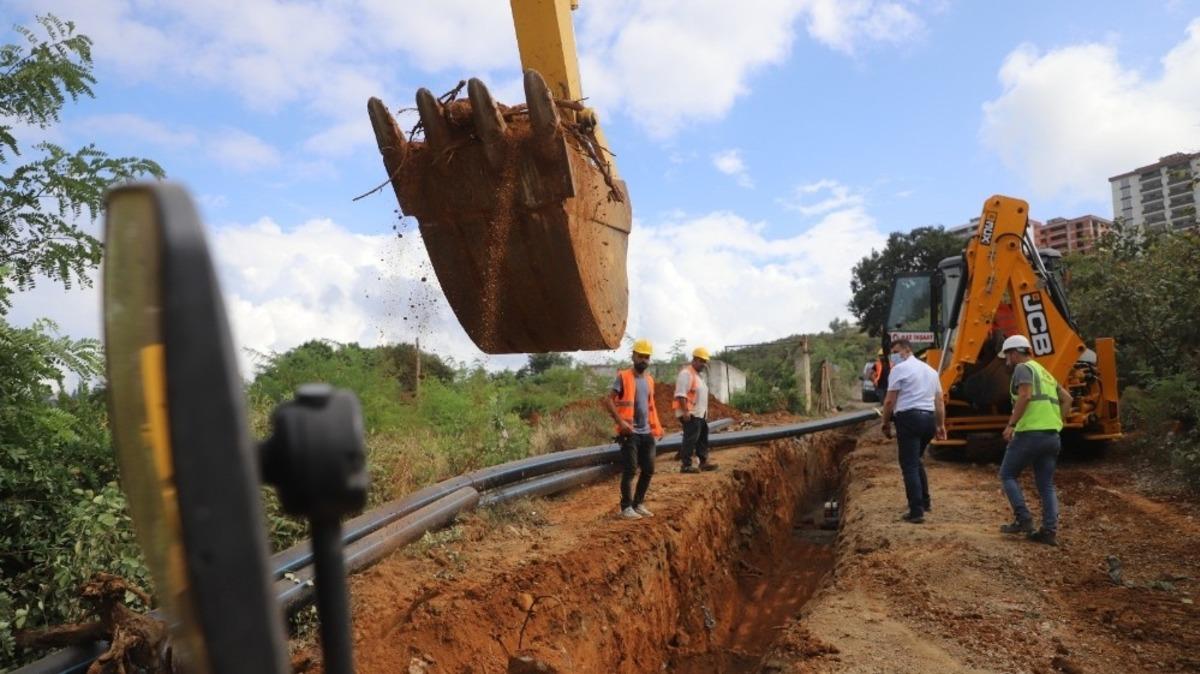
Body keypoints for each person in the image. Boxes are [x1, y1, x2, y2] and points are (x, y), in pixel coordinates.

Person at [997, 334, 1073, 546]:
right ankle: (1049, 531)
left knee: (1007, 475)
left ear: (1014, 353)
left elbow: (1025, 395)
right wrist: (1057, 420)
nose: (1006, 360)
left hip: (1030, 433)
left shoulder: (1023, 368)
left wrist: (1011, 424)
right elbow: (1067, 399)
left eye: (1007, 356)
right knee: (1046, 485)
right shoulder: (1044, 372)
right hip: (1052, 436)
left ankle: (1024, 519)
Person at [880, 338, 947, 523]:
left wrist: (885, 423)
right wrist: (940, 425)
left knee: (908, 465)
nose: (892, 356)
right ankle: (925, 502)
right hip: (929, 420)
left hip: (909, 419)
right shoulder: (931, 371)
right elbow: (939, 402)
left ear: (905, 350)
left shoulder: (899, 370)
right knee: (916, 460)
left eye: (894, 351)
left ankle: (916, 512)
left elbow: (889, 401)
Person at [603, 338, 664, 520]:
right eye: (641, 356)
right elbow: (608, 400)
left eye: (647, 357)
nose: (644, 360)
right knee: (630, 469)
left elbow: (650, 406)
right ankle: (625, 508)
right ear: (633, 356)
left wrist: (657, 428)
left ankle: (638, 504)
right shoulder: (623, 377)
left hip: (647, 433)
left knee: (649, 469)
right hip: (630, 433)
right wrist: (621, 423)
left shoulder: (650, 380)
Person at [675, 347, 718, 474]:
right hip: (691, 413)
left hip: (700, 414)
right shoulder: (686, 374)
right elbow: (681, 394)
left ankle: (703, 462)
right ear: (694, 359)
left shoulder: (697, 376)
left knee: (702, 439)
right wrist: (686, 411)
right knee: (690, 439)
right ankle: (686, 465)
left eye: (705, 361)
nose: (704, 364)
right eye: (701, 361)